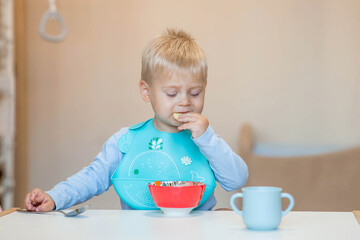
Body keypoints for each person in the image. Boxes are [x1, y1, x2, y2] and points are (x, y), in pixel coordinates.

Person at [24, 29, 248, 212]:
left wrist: (208, 138)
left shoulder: (205, 140)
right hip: (138, 233)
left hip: (196, 233)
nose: (185, 102)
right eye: (172, 93)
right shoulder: (125, 141)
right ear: (146, 91)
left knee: (225, 215)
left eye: (195, 93)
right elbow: (92, 178)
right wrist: (54, 197)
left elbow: (236, 180)